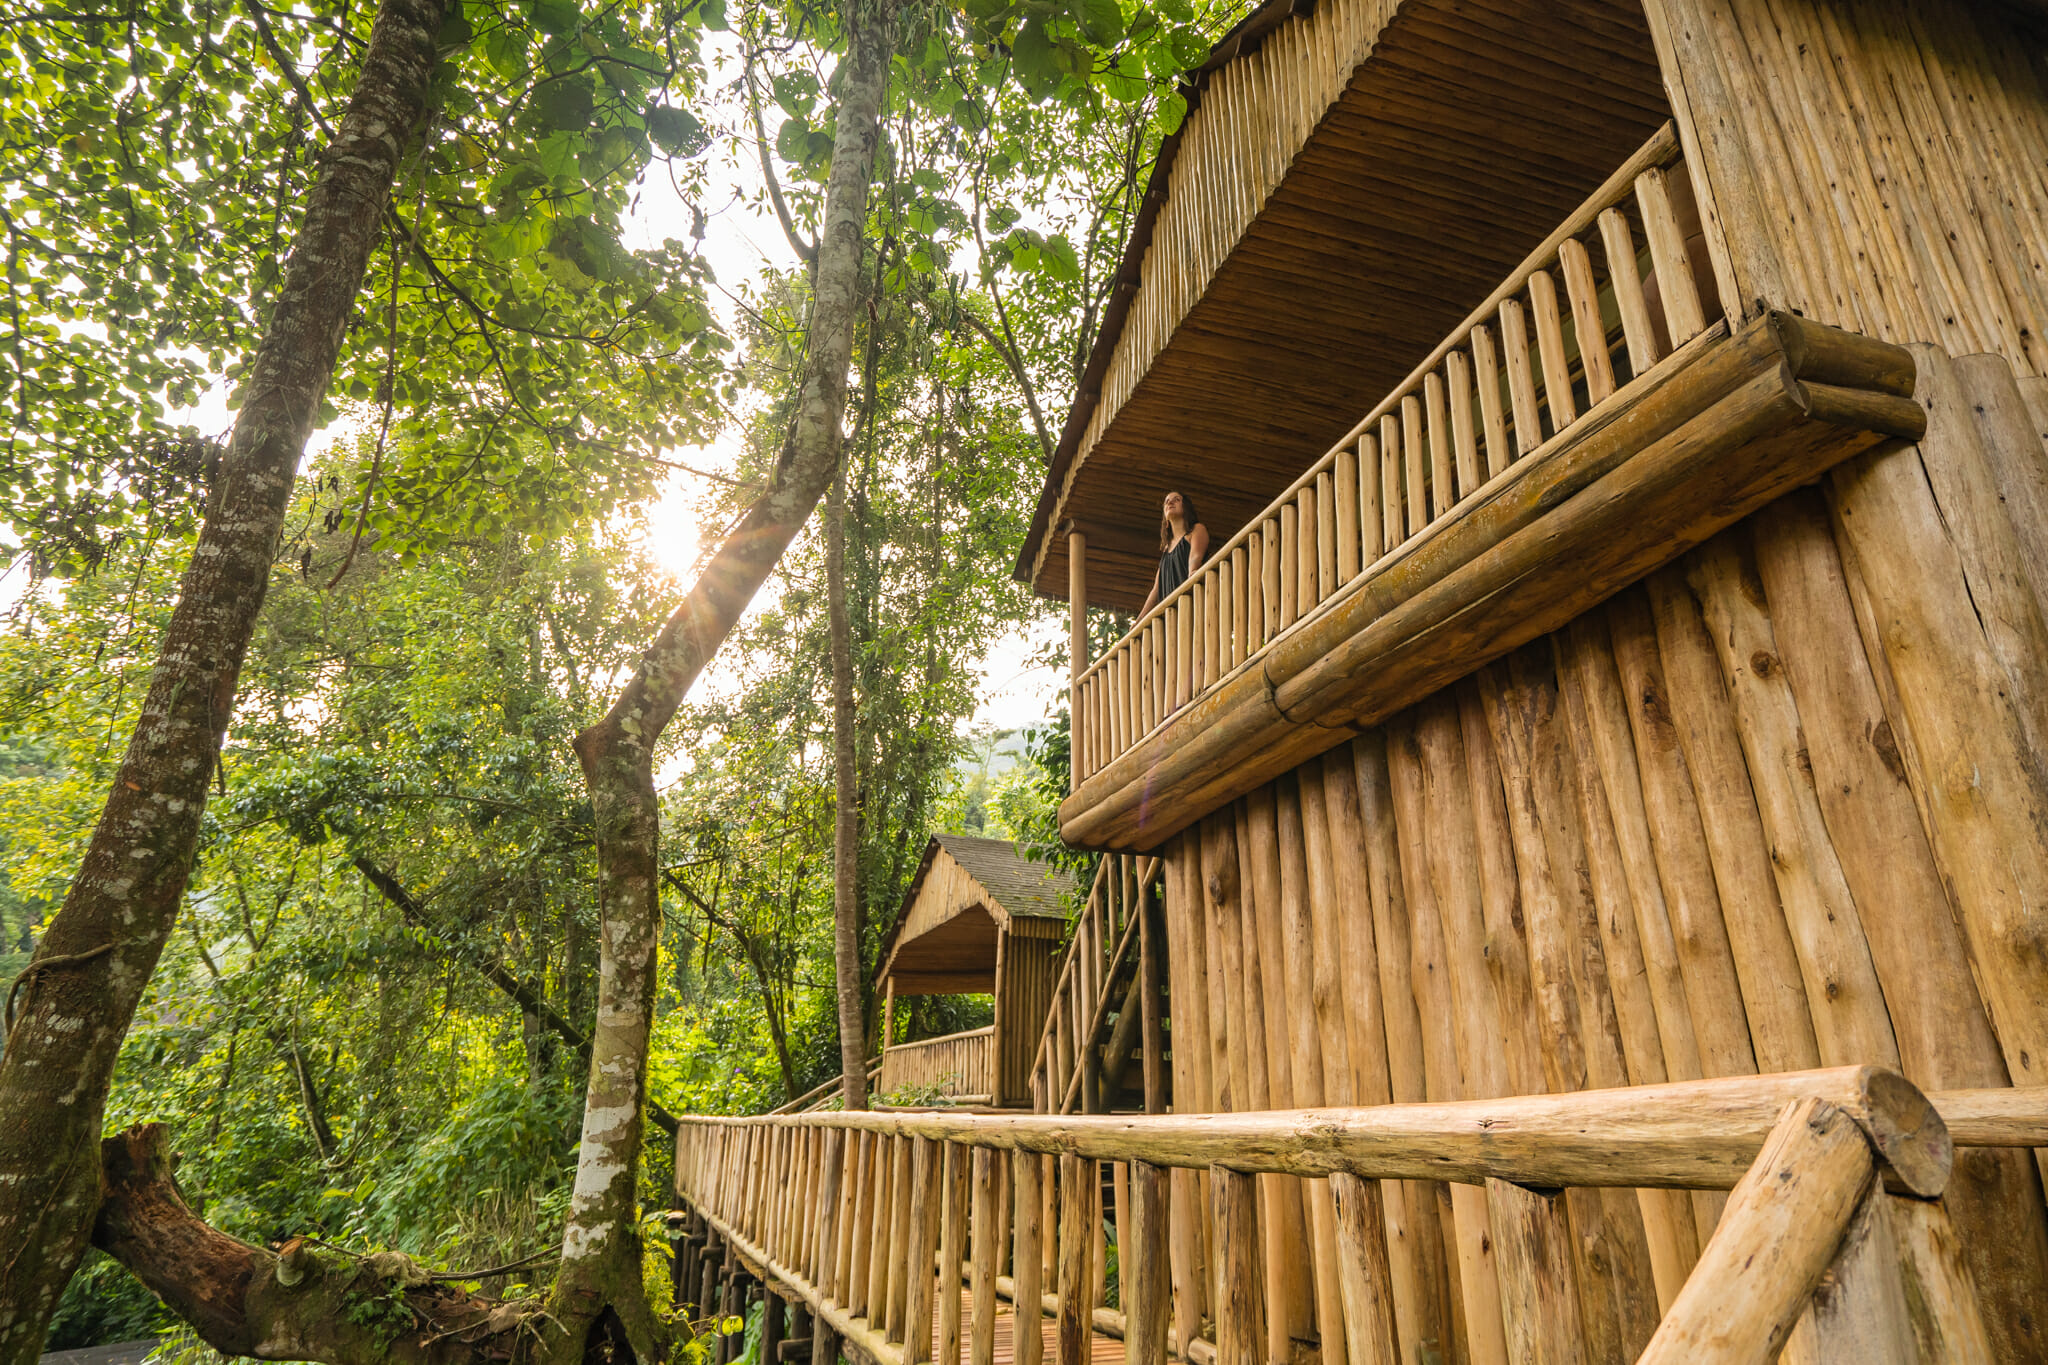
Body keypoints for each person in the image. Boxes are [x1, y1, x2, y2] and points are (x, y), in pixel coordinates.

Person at [1140, 490, 1208, 615]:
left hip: (1191, 606)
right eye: (1167, 502)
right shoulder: (1166, 549)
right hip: (1171, 616)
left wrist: (1193, 571)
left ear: (1186, 507)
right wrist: (1139, 621)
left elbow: (1195, 556)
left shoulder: (1196, 530)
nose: (1170, 502)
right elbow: (1156, 590)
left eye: (1176, 499)